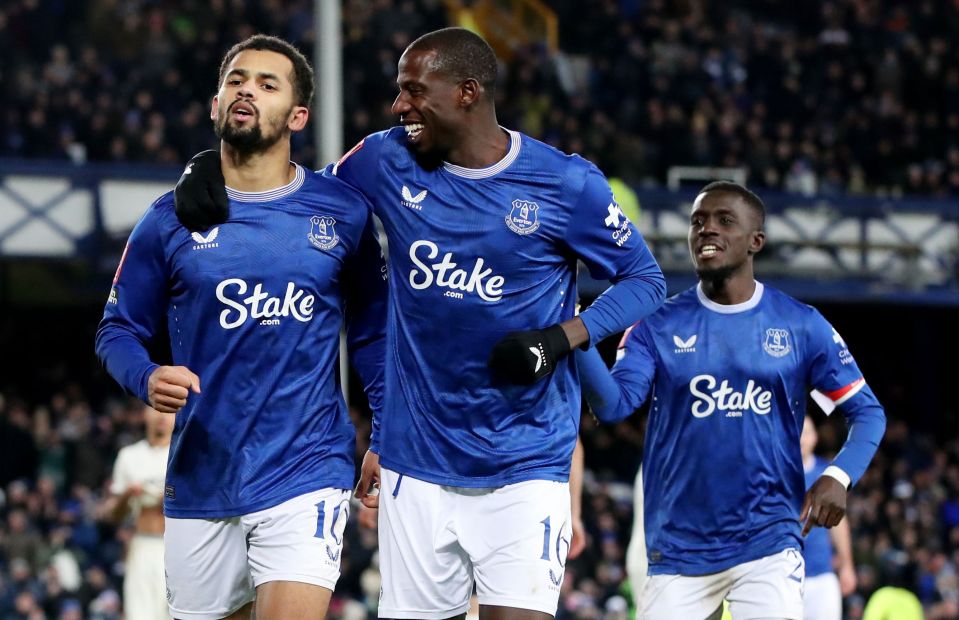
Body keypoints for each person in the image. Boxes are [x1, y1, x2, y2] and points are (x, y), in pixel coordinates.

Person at [173, 26, 666, 620]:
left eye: (413, 91)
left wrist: (563, 338)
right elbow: (303, 196)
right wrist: (210, 166)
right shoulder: (386, 158)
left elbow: (645, 280)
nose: (398, 105)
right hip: (415, 465)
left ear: (466, 92)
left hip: (524, 461)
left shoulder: (565, 183)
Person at [95, 35, 387, 620]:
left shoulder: (342, 211)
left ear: (298, 116)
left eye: (266, 83)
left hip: (308, 468)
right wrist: (146, 376)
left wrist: (384, 430)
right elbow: (116, 330)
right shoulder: (167, 220)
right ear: (214, 104)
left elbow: (374, 332)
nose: (246, 89)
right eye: (236, 80)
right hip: (204, 475)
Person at [576, 181, 886, 620]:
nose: (707, 230)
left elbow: (867, 413)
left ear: (755, 240)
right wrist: (577, 334)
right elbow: (613, 405)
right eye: (698, 222)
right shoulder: (656, 325)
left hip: (768, 543)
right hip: (678, 549)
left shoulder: (801, 326)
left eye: (724, 221)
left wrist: (839, 475)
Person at [98, 404, 174, 620]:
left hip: (177, 546)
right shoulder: (129, 456)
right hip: (142, 545)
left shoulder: (183, 455)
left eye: (169, 410)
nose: (162, 415)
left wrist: (166, 499)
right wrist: (127, 495)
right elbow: (114, 515)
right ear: (144, 414)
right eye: (156, 409)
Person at [800, 414, 857, 620]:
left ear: (815, 437)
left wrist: (847, 565)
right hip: (783, 574)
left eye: (806, 432)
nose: (801, 439)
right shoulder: (778, 473)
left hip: (821, 574)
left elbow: (839, 523)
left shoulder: (828, 474)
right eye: (797, 432)